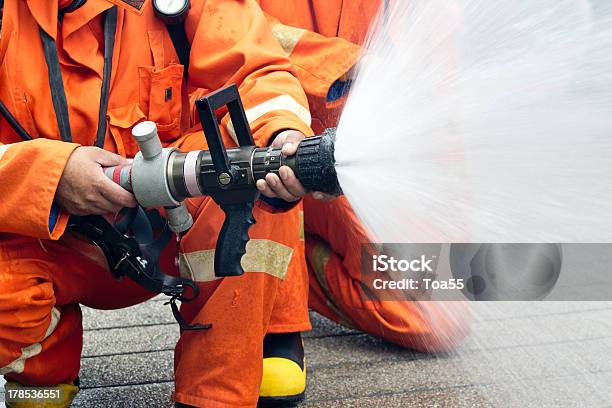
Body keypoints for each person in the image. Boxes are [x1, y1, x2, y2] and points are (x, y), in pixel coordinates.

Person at [0, 0, 316, 407]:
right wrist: (47, 175)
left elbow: (255, 70)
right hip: (42, 237)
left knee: (244, 170)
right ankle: (44, 367)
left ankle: (226, 381)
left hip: (173, 230)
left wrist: (282, 132)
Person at [252, 0, 473, 403]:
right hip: (272, 136)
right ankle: (275, 294)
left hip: (367, 161)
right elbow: (225, 31)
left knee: (436, 315)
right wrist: (343, 63)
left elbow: (437, 102)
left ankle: (298, 260)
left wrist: (439, 208)